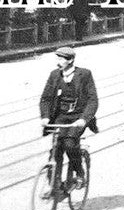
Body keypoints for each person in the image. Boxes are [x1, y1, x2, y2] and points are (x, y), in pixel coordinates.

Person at [38, 46, 98, 194]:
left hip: (78, 116)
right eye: (57, 58)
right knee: (56, 148)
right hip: (60, 116)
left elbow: (93, 100)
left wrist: (84, 119)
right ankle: (53, 183)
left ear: (70, 60)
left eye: (61, 58)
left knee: (70, 144)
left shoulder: (84, 74)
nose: (58, 61)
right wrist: (45, 117)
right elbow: (45, 98)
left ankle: (79, 173)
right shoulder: (54, 75)